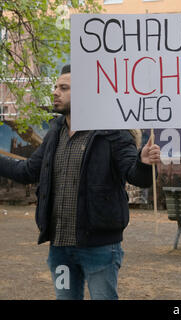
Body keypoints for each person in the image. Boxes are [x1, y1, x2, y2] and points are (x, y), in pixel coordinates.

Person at [0, 65, 161, 300]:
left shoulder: (112, 132)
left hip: (100, 248)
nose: (55, 92)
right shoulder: (55, 131)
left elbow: (135, 176)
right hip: (60, 248)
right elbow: (28, 171)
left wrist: (145, 163)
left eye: (63, 88)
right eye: (56, 87)